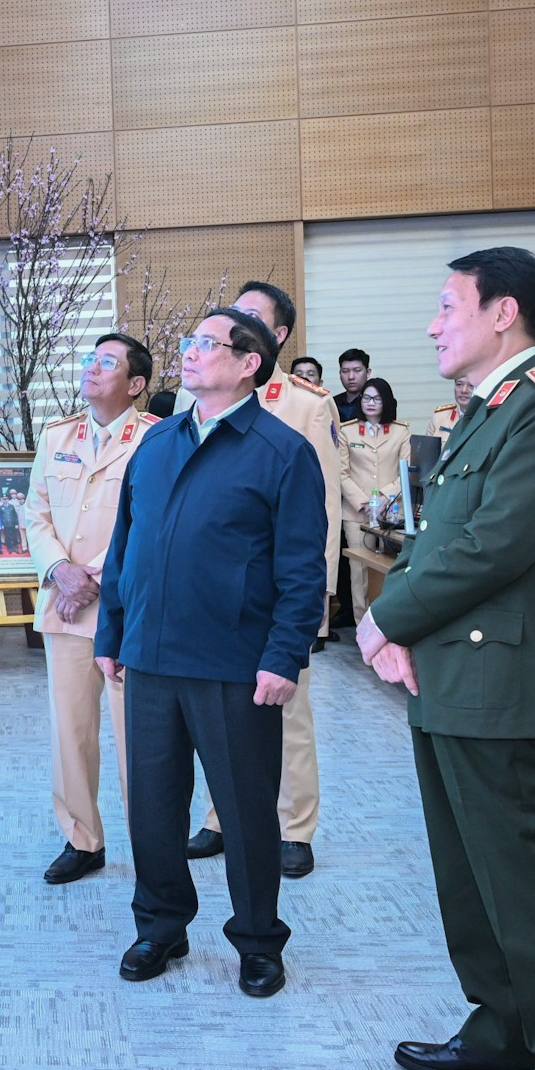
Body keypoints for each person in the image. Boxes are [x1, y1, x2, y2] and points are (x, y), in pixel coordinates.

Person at [358, 247, 535, 1070]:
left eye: (445, 306)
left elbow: (498, 545)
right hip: (454, 681)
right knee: (470, 879)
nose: (432, 324)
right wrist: (405, 631)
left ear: (504, 313)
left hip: (502, 684)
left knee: (529, 887)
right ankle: (502, 1027)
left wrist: (385, 617)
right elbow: (438, 537)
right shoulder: (486, 412)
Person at [94, 310, 326, 998]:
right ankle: (161, 924)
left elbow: (302, 568)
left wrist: (284, 657)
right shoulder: (158, 442)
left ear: (249, 362)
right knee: (153, 808)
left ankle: (258, 942)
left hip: (234, 661)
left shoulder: (281, 451)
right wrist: (112, 631)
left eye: (205, 344)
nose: (188, 354)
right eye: (188, 342)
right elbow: (124, 547)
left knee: (246, 810)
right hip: (152, 659)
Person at [181, 281, 344, 880]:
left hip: (274, 596)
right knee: (210, 712)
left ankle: (294, 826)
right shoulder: (191, 395)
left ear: (274, 339)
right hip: (207, 599)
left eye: (250, 317)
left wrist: (314, 604)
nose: (232, 321)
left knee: (286, 713)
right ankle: (221, 816)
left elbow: (321, 512)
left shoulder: (306, 403)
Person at [25, 334, 161, 884]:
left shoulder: (155, 439)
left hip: (129, 608)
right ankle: (82, 840)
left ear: (135, 385)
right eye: (90, 359)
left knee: (140, 738)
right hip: (66, 605)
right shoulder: (58, 434)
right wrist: (60, 570)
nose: (92, 368)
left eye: (108, 362)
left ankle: (152, 846)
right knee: (70, 732)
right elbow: (36, 511)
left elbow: (152, 519)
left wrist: (94, 575)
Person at [340, 378, 411, 618]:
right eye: (366, 398)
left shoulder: (401, 431)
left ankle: (388, 625)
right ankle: (362, 627)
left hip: (392, 512)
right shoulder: (346, 431)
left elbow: (407, 472)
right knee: (358, 571)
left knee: (392, 570)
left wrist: (382, 498)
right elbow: (341, 473)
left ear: (387, 401)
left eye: (377, 398)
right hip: (356, 512)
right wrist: (363, 501)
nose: (371, 403)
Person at [335, 348, 371, 422]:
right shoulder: (332, 403)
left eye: (357, 370)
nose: (351, 377)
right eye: (345, 371)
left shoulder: (375, 403)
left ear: (368, 373)